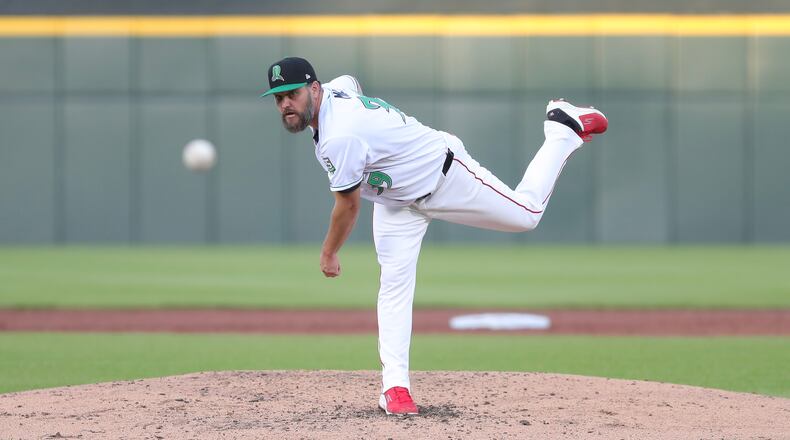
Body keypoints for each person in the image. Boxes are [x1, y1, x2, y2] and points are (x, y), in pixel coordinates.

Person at [261, 57, 608, 416]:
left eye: (293, 93)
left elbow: (347, 207)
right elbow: (349, 81)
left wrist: (329, 252)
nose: (286, 103)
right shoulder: (336, 92)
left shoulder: (340, 136)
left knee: (527, 215)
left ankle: (562, 130)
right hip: (396, 202)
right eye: (278, 97)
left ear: (314, 89)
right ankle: (395, 388)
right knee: (394, 287)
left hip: (445, 177)